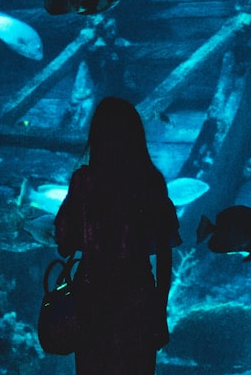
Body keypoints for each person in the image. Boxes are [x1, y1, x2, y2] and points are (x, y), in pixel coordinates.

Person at [54, 97, 182, 374]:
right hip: (138, 296)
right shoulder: (150, 181)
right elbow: (164, 252)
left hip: (92, 294)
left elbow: (65, 241)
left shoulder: (84, 181)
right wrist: (160, 310)